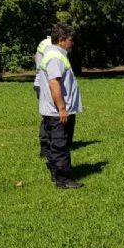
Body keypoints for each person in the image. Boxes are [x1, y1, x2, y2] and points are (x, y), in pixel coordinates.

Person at [38, 23, 84, 189]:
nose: (72, 43)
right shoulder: (56, 58)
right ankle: (63, 179)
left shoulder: (52, 54)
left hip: (52, 110)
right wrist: (62, 108)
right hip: (57, 112)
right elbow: (54, 83)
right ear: (62, 40)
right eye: (70, 39)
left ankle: (56, 172)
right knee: (60, 144)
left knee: (54, 143)